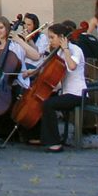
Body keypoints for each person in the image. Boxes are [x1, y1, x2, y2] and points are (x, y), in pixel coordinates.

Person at [32, 22, 86, 153]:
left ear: (62, 37)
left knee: (48, 104)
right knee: (39, 100)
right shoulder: (59, 52)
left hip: (77, 94)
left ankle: (55, 143)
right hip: (65, 92)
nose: (50, 41)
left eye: (52, 37)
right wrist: (33, 72)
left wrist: (66, 49)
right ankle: (39, 137)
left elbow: (72, 66)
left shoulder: (75, 50)